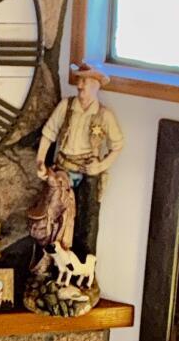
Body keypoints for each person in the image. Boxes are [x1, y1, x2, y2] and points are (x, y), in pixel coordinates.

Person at [36, 63, 124, 259]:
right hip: (63, 170)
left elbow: (117, 145)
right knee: (54, 216)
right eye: (79, 80)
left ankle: (84, 264)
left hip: (87, 173)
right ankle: (52, 261)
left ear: (96, 85)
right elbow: (49, 133)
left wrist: (100, 166)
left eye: (85, 81)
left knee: (87, 220)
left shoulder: (104, 115)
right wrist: (40, 161)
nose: (80, 85)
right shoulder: (66, 107)